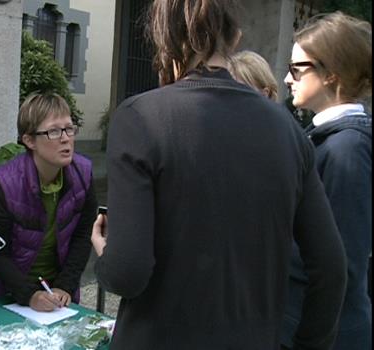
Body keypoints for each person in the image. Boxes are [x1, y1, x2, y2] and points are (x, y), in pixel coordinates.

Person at [90, 0, 347, 348]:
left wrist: (104, 253)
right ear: (234, 36)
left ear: (163, 38)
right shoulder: (285, 128)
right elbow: (330, 268)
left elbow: (127, 273)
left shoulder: (140, 119)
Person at [281, 12, 372, 350]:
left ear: (331, 73)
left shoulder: (347, 149)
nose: (288, 79)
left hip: (325, 335)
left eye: (296, 69)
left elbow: (340, 265)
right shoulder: (329, 139)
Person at [0, 93, 97, 312]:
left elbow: (83, 235)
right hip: (7, 292)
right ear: (29, 140)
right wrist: (29, 295)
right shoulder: (2, 184)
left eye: (69, 128)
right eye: (53, 131)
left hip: (58, 293)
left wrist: (65, 286)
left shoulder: (84, 174)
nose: (65, 138)